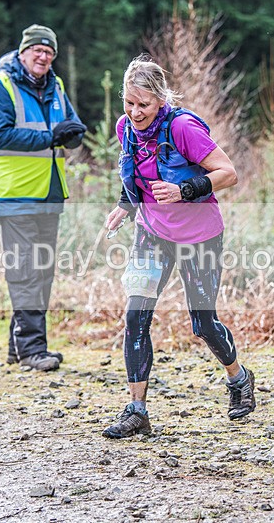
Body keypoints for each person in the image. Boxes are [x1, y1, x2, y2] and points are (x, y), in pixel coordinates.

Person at [102, 55, 255, 438]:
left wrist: (185, 189)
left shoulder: (183, 127)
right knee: (136, 317)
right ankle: (136, 410)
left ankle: (238, 379)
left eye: (144, 105)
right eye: (129, 103)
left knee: (202, 323)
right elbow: (136, 174)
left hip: (198, 236)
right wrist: (125, 206)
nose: (135, 113)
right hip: (152, 234)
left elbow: (228, 173)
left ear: (160, 100)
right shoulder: (125, 128)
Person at [0, 24, 86, 371]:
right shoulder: (1, 86)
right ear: (23, 52)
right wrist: (50, 136)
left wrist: (71, 136)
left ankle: (20, 345)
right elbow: (0, 136)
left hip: (50, 193)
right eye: (37, 50)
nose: (43, 56)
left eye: (49, 52)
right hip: (15, 195)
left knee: (42, 271)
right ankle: (31, 351)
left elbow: (69, 124)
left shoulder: (56, 86)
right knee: (25, 271)